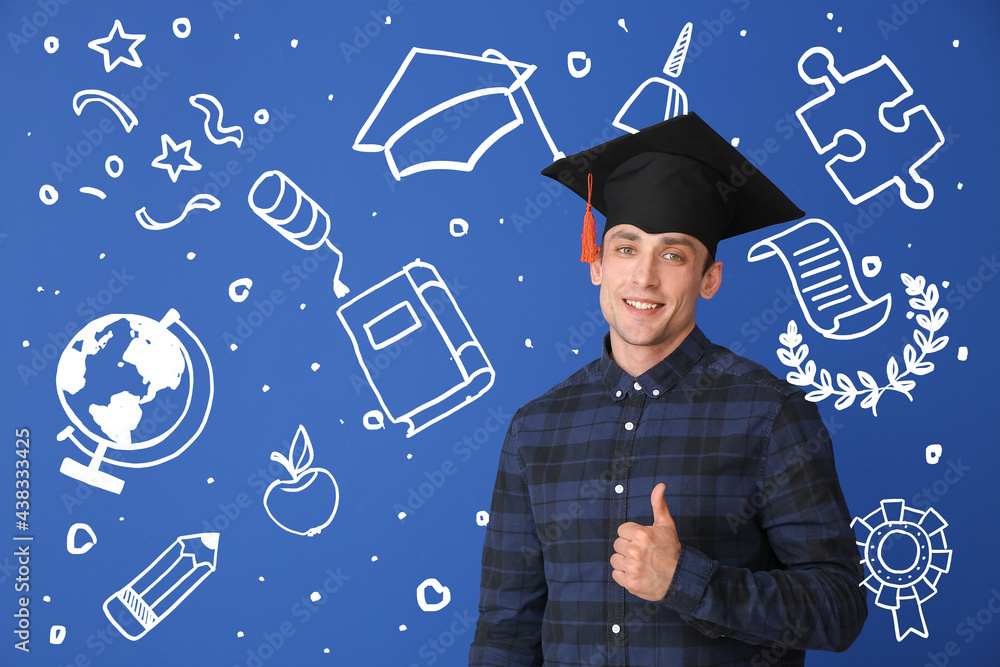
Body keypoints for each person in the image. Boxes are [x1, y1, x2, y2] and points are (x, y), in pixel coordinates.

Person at [469, 112, 867, 666]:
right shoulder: (535, 427)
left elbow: (840, 608)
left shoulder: (771, 414)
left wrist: (689, 581)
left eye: (674, 255)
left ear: (710, 278)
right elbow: (505, 630)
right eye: (627, 248)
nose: (645, 278)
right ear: (597, 263)